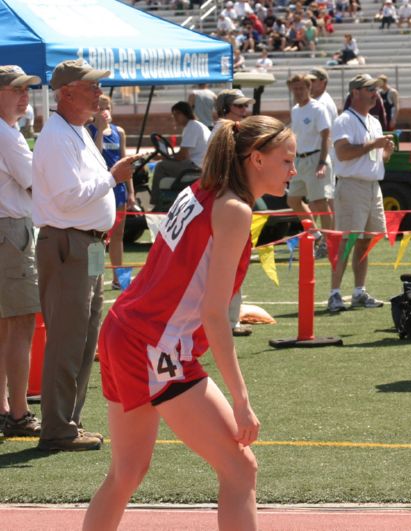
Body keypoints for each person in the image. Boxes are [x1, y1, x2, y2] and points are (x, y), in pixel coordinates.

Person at [82, 114, 292, 531]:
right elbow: (215, 315)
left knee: (126, 473)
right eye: (287, 160)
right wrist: (241, 399)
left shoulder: (200, 191)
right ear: (257, 159)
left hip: (125, 328)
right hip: (154, 343)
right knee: (240, 469)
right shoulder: (233, 210)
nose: (293, 169)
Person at [32, 59, 137, 451]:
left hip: (87, 244)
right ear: (67, 92)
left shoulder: (73, 131)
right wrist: (114, 177)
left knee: (84, 336)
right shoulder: (59, 136)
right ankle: (58, 426)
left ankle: (66, 422)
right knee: (68, 338)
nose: (98, 92)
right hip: (70, 244)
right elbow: (68, 197)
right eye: (90, 85)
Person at [327, 74, 394, 313]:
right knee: (347, 240)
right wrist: (374, 145)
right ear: (355, 92)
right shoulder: (344, 120)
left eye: (375, 89)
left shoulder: (374, 121)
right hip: (352, 185)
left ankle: (358, 291)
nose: (375, 93)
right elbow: (343, 153)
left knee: (366, 242)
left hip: (372, 186)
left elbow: (375, 158)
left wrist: (386, 152)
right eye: (370, 89)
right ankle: (334, 293)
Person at [0, 65, 42, 438]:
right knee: (21, 322)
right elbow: (34, 182)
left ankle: (7, 410)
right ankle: (18, 413)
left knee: (6, 325)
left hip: (8, 230)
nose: (24, 95)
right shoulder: (7, 136)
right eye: (16, 89)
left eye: (26, 89)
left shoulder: (9, 132)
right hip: (11, 232)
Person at [210, 89, 256, 337]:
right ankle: (227, 321)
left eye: (245, 106)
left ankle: (228, 319)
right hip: (228, 203)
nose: (244, 110)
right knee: (230, 264)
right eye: (239, 106)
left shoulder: (225, 130)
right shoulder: (225, 132)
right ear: (227, 108)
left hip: (229, 201)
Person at [87, 95, 135, 290]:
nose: (104, 111)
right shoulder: (88, 130)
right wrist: (99, 130)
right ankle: (95, 277)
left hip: (119, 189)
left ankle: (119, 278)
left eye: (107, 107)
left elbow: (125, 162)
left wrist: (131, 192)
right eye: (100, 108)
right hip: (100, 187)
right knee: (97, 236)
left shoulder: (119, 131)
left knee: (118, 234)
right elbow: (95, 157)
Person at [286, 74, 334, 257]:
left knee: (320, 202)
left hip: (315, 159)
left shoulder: (318, 109)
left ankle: (328, 242)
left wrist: (321, 163)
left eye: (301, 88)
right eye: (295, 88)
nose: (298, 92)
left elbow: (325, 137)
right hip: (299, 159)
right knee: (293, 199)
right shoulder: (295, 110)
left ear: (308, 88)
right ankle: (315, 233)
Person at [151, 101, 211, 207]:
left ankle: (156, 203)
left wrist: (163, 157)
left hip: (196, 167)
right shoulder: (196, 125)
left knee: (161, 166)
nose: (175, 118)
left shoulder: (191, 127)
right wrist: (168, 157)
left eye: (176, 115)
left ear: (183, 113)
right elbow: (183, 154)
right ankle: (168, 202)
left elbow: (183, 155)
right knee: (166, 164)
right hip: (199, 165)